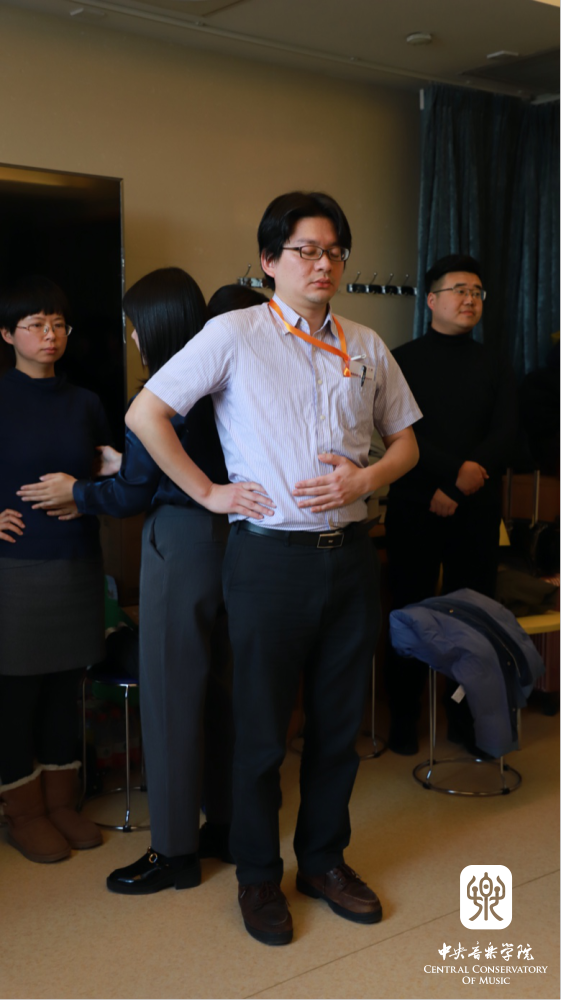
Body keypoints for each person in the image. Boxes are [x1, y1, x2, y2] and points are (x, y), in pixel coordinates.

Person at [126, 192, 421, 945]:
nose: (323, 264)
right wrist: (208, 492)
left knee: (336, 730)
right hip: (266, 559)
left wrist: (366, 479)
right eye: (305, 251)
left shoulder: (365, 343)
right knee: (260, 733)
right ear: (269, 261)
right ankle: (258, 875)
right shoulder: (235, 333)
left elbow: (407, 443)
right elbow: (146, 414)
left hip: (349, 558)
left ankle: (322, 861)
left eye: (334, 252)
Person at [17, 267, 235, 893]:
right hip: (235, 542)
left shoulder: (164, 389)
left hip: (181, 544)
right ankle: (225, 828)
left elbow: (135, 493)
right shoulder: (226, 377)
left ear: (156, 327)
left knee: (169, 699)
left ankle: (173, 852)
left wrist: (80, 492)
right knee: (225, 696)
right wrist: (128, 464)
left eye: (135, 326)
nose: (132, 337)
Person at [384, 253, 518, 755]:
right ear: (432, 299)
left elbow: (506, 432)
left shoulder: (495, 362)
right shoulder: (401, 359)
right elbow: (397, 433)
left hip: (475, 509)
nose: (470, 299)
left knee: (473, 618)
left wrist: (461, 486)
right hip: (414, 503)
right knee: (408, 611)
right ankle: (404, 717)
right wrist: (450, 475)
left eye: (477, 292)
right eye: (459, 290)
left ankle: (465, 719)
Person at [0, 275, 108, 862]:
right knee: (18, 691)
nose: (50, 334)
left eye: (59, 324)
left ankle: (63, 802)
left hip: (76, 560)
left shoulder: (85, 402)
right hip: (15, 568)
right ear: (7, 334)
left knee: (68, 687)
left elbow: (104, 475)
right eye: (36, 324)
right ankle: (24, 811)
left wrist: (88, 494)